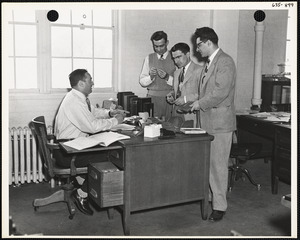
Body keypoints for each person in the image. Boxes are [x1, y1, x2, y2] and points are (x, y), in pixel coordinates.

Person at [54, 69, 126, 216]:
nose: (93, 83)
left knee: (106, 150)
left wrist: (109, 113)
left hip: (71, 146)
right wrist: (115, 121)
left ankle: (80, 181)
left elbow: (92, 112)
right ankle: (82, 192)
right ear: (81, 83)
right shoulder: (74, 101)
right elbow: (92, 127)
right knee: (109, 157)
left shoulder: (78, 97)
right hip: (68, 152)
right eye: (90, 80)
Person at [190, 27, 237, 222]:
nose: (196, 49)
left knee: (218, 166)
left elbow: (220, 93)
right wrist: (191, 102)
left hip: (219, 123)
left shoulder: (225, 62)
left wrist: (199, 104)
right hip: (207, 121)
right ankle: (210, 197)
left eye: (198, 44)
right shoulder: (209, 63)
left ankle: (220, 207)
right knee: (208, 165)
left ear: (209, 42)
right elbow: (204, 93)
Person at [139, 31, 176, 120]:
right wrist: (151, 77)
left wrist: (167, 77)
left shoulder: (175, 56)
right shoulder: (149, 58)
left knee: (169, 126)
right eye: (156, 46)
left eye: (161, 46)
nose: (159, 49)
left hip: (170, 99)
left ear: (167, 43)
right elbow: (142, 82)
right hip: (152, 99)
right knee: (152, 126)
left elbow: (181, 82)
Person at [167, 42, 202, 127]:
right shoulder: (176, 73)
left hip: (191, 115)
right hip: (177, 115)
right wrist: (172, 95)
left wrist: (185, 99)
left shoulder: (200, 70)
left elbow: (204, 94)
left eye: (179, 57)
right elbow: (178, 90)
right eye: (174, 58)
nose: (176, 61)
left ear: (188, 54)